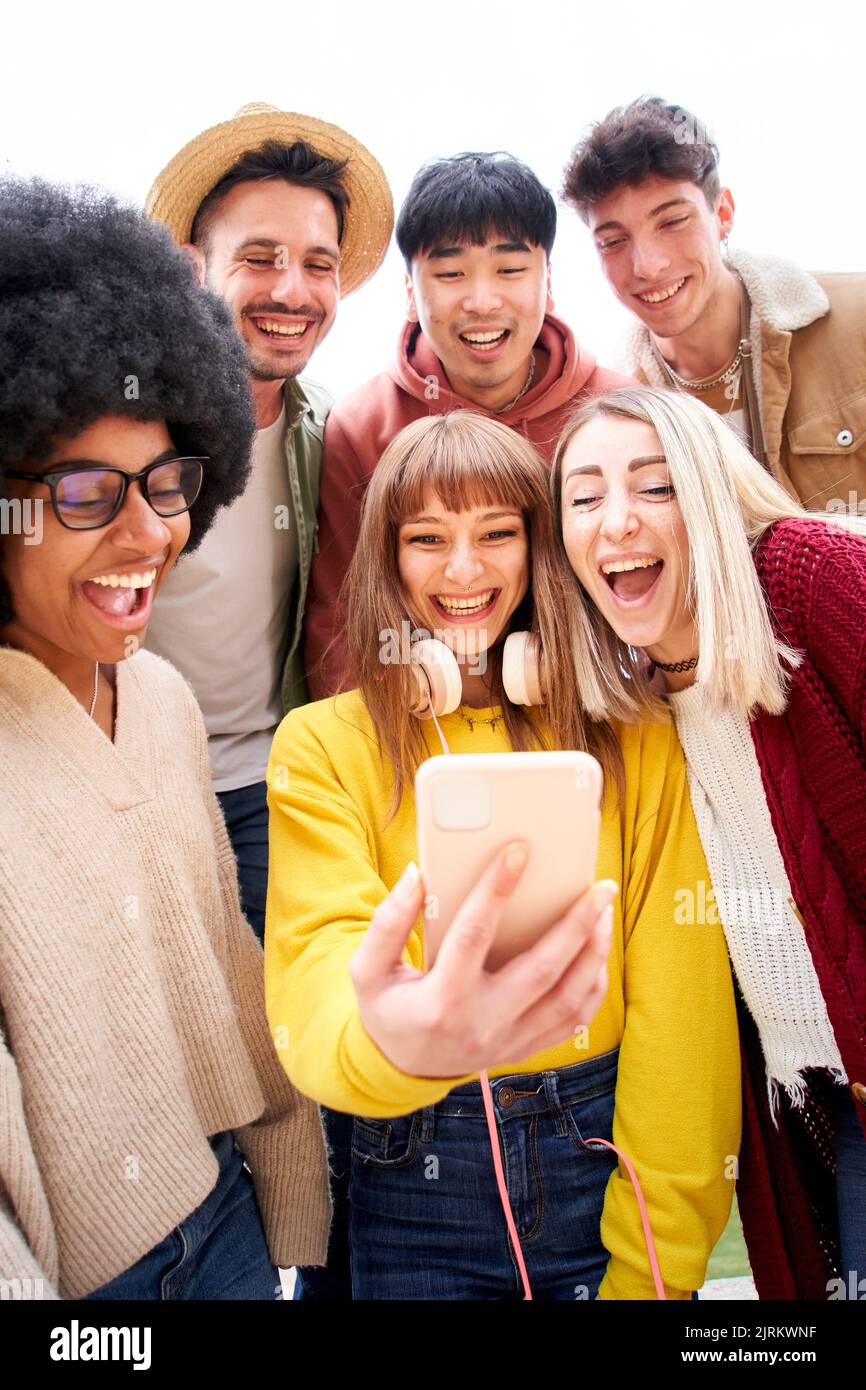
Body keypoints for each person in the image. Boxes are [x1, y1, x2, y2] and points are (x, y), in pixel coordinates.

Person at [265, 410, 741, 1300]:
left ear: (542, 550)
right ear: (387, 559)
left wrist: (655, 1269)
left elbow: (685, 1023)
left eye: (497, 533)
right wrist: (401, 1047)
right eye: (427, 539)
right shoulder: (320, 747)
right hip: (408, 1172)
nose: (463, 570)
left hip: (597, 1165)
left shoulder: (636, 739)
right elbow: (316, 980)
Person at [0, 177, 332, 1299]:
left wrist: (294, 1224)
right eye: (87, 491)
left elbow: (228, 974)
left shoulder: (163, 702)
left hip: (227, 1225)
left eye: (168, 483)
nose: (150, 533)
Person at [551, 384, 866, 1299]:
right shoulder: (637, 706)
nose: (616, 522)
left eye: (654, 487)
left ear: (713, 492)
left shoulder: (811, 579)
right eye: (584, 497)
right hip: (816, 1109)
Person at [144, 103, 393, 939]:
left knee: (274, 1033)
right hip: (124, 780)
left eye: (317, 265)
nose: (292, 291)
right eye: (260, 258)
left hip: (267, 787)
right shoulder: (117, 427)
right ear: (191, 267)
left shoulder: (337, 437)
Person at [304, 151, 632, 698]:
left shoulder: (620, 413)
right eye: (451, 273)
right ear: (411, 293)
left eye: (509, 270)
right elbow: (339, 621)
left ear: (547, 282)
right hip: (425, 733)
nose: (482, 301)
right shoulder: (362, 428)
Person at [561, 97, 866, 516]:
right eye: (613, 242)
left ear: (722, 213)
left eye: (672, 221)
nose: (648, 266)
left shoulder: (856, 319)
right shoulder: (620, 403)